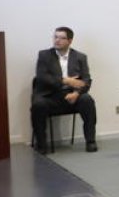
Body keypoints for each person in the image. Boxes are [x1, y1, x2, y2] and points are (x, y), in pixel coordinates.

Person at [31, 26, 98, 154]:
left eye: (62, 38)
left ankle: (90, 141)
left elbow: (86, 80)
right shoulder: (44, 55)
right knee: (38, 105)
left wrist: (76, 93)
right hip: (49, 95)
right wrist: (65, 81)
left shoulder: (80, 57)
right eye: (55, 37)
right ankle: (41, 144)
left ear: (70, 41)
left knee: (87, 100)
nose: (57, 40)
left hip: (71, 95)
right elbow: (42, 77)